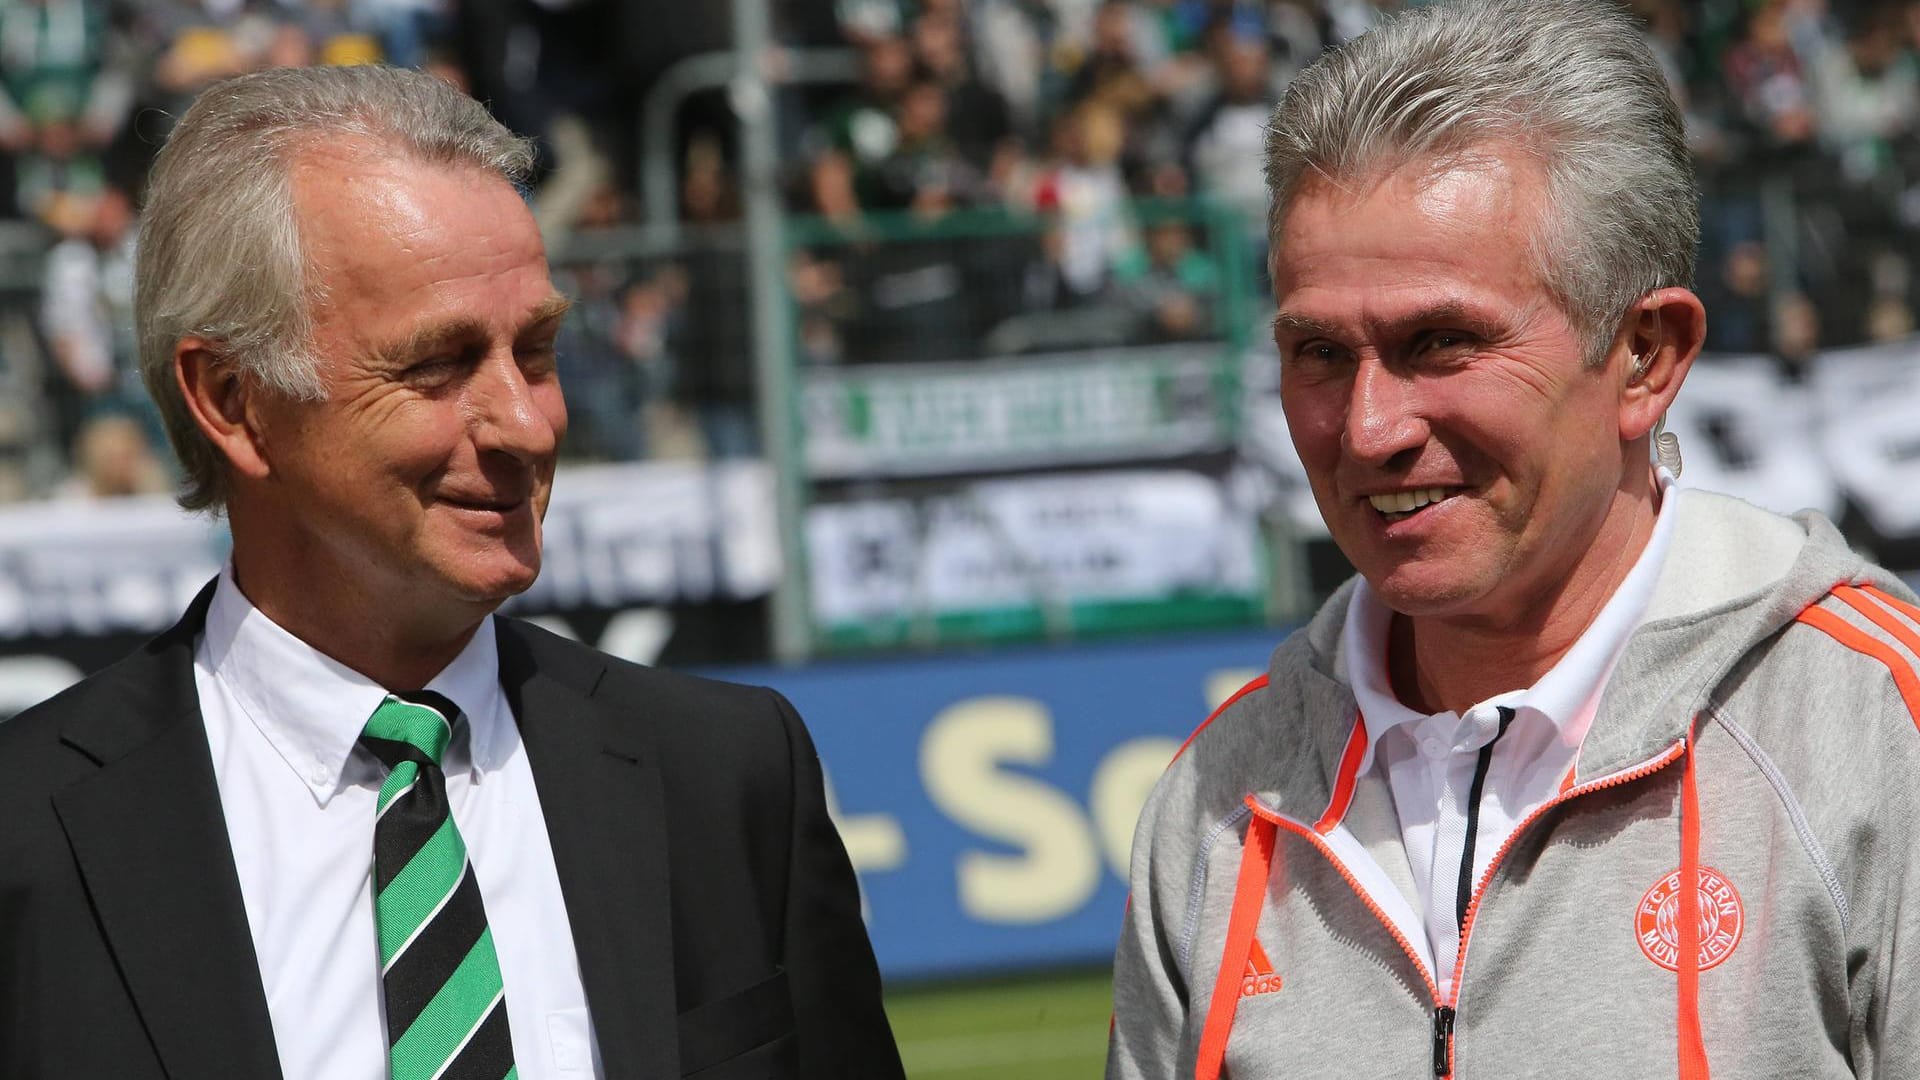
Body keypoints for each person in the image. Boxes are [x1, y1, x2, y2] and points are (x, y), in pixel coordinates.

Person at [0, 64, 904, 1080]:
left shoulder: (727, 779)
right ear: (232, 399)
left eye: (540, 350)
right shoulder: (29, 841)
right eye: (437, 366)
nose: (527, 423)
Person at [1109, 2, 1920, 1078]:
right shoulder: (1217, 799)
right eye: (1316, 352)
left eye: (1439, 342)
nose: (1369, 429)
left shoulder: (1877, 733)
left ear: (1646, 356)